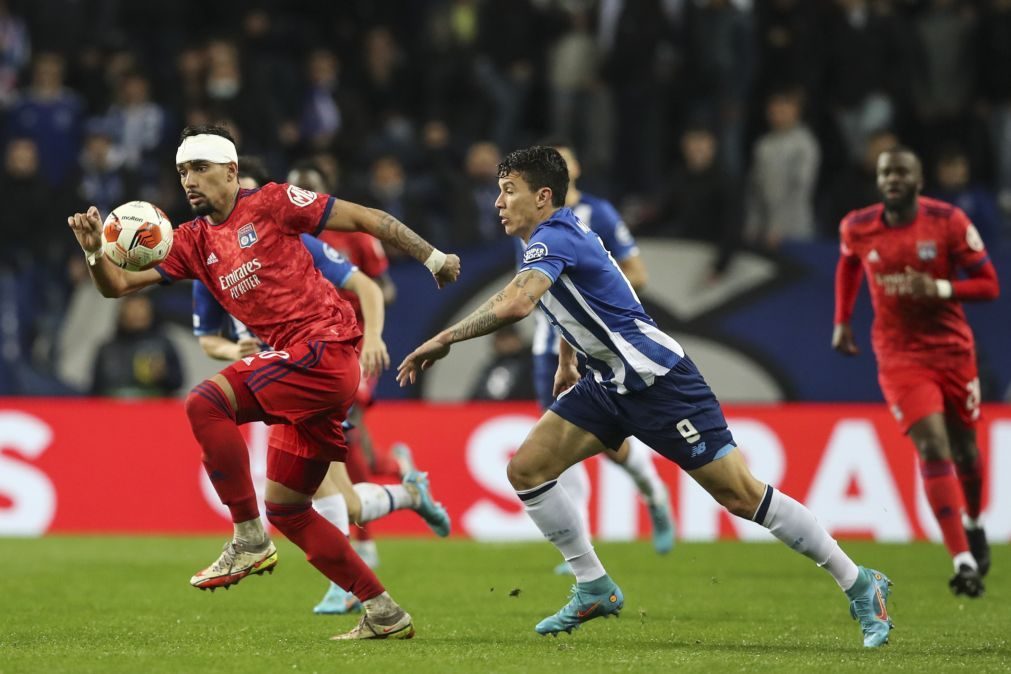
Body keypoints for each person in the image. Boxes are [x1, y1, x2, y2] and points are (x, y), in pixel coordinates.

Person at [397, 146, 893, 648]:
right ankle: (593, 584)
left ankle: (859, 583)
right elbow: (576, 302)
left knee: (741, 495)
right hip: (606, 383)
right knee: (527, 469)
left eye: (509, 191)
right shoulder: (545, 240)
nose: (497, 202)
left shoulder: (555, 236)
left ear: (542, 196)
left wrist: (444, 338)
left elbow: (519, 302)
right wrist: (569, 360)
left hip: (660, 382)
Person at [67, 124, 460, 640]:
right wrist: (96, 251)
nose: (189, 180)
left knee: (206, 402)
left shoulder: (273, 203)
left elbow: (367, 217)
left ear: (231, 171)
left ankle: (248, 536)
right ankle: (383, 612)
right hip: (303, 370)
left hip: (323, 350)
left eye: (201, 168)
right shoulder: (191, 241)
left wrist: (433, 256)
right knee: (290, 509)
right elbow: (116, 286)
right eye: (183, 170)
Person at [195, 157, 430, 617]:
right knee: (319, 502)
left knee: (324, 491)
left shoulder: (298, 241)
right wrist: (234, 351)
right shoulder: (208, 254)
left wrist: (374, 338)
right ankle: (406, 505)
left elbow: (369, 285)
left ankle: (338, 584)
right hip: (268, 374)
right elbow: (208, 337)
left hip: (319, 362)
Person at [832, 146, 1000, 598]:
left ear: (919, 181)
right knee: (932, 444)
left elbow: (990, 284)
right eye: (886, 172)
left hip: (952, 351)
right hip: (899, 354)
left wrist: (942, 286)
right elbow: (848, 263)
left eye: (902, 172)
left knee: (966, 450)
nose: (893, 179)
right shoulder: (858, 225)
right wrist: (842, 320)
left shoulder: (948, 223)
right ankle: (962, 560)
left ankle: (974, 521)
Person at [531, 141, 675, 566]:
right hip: (550, 345)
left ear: (574, 169)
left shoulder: (599, 215)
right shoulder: (527, 222)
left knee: (612, 444)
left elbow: (638, 273)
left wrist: (598, 292)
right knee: (559, 442)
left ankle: (653, 492)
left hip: (601, 343)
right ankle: (582, 541)